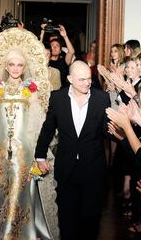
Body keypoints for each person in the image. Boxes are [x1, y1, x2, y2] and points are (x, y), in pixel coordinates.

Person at [0, 27, 58, 240]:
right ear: (5, 67)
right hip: (0, 155)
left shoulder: (31, 92)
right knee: (0, 196)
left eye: (19, 65)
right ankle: (1, 232)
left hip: (23, 156)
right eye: (11, 64)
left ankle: (17, 235)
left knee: (20, 196)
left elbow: (37, 126)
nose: (15, 68)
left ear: (25, 66)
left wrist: (39, 155)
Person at [35, 60, 111, 240]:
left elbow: (108, 133)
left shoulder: (102, 98)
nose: (87, 83)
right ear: (70, 79)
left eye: (89, 79)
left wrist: (121, 125)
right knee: (67, 219)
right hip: (66, 167)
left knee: (91, 219)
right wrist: (40, 156)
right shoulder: (57, 98)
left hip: (93, 167)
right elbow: (47, 129)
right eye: (82, 79)